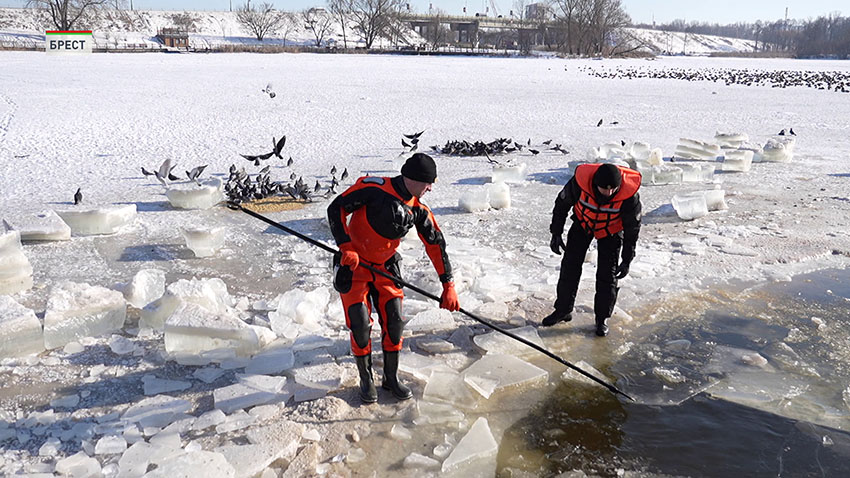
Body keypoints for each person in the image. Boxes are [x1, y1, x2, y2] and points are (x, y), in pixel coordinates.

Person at [327, 153, 460, 403]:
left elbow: (435, 245)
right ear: (412, 179)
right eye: (428, 182)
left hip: (386, 267)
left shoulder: (419, 209)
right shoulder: (373, 189)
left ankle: (390, 377)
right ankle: (366, 380)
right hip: (354, 264)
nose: (431, 187)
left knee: (395, 321)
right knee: (360, 324)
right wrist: (346, 246)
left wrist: (448, 285)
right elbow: (336, 208)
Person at [542, 163, 642, 337]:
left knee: (607, 276)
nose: (608, 193)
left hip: (610, 231)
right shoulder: (579, 184)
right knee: (569, 268)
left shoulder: (629, 196)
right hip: (583, 223)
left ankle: (601, 318)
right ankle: (563, 310)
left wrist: (627, 259)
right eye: (604, 189)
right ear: (595, 184)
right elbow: (561, 205)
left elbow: (632, 229)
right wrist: (556, 233)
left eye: (613, 190)